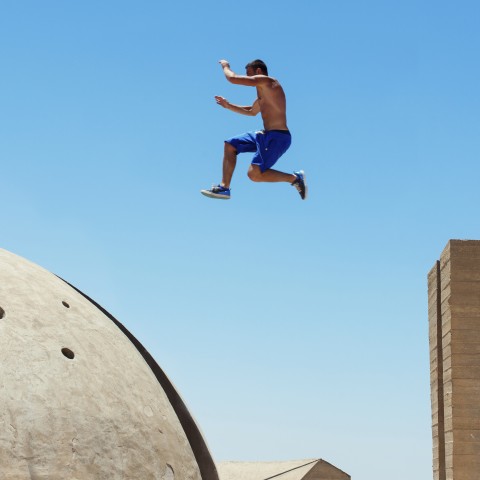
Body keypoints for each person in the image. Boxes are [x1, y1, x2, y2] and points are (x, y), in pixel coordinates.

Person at [201, 59, 307, 200]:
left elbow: (232, 78)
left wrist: (225, 66)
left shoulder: (268, 81)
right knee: (230, 145)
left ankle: (294, 178)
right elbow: (251, 111)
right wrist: (228, 105)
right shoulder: (263, 94)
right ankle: (224, 188)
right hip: (265, 135)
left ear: (258, 71)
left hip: (278, 137)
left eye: (249, 75)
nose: (248, 79)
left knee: (254, 175)